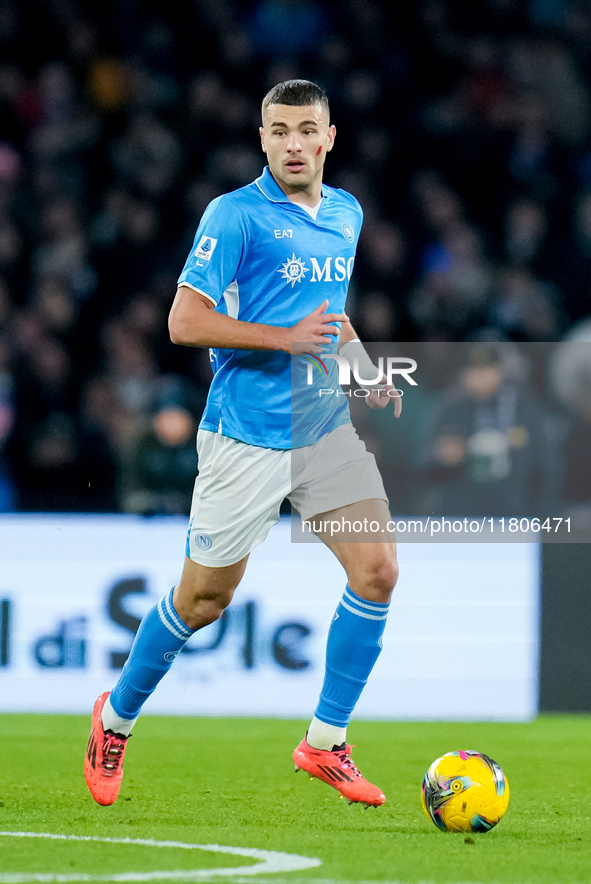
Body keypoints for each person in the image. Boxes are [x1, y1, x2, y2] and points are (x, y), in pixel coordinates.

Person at [84, 79, 400, 809]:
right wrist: (278, 339)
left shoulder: (346, 212)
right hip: (245, 436)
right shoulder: (233, 217)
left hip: (323, 430)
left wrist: (362, 371)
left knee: (378, 570)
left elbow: (331, 318)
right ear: (261, 138)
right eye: (278, 130)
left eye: (305, 129)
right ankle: (116, 718)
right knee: (203, 600)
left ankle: (325, 743)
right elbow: (183, 323)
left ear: (328, 138)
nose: (293, 142)